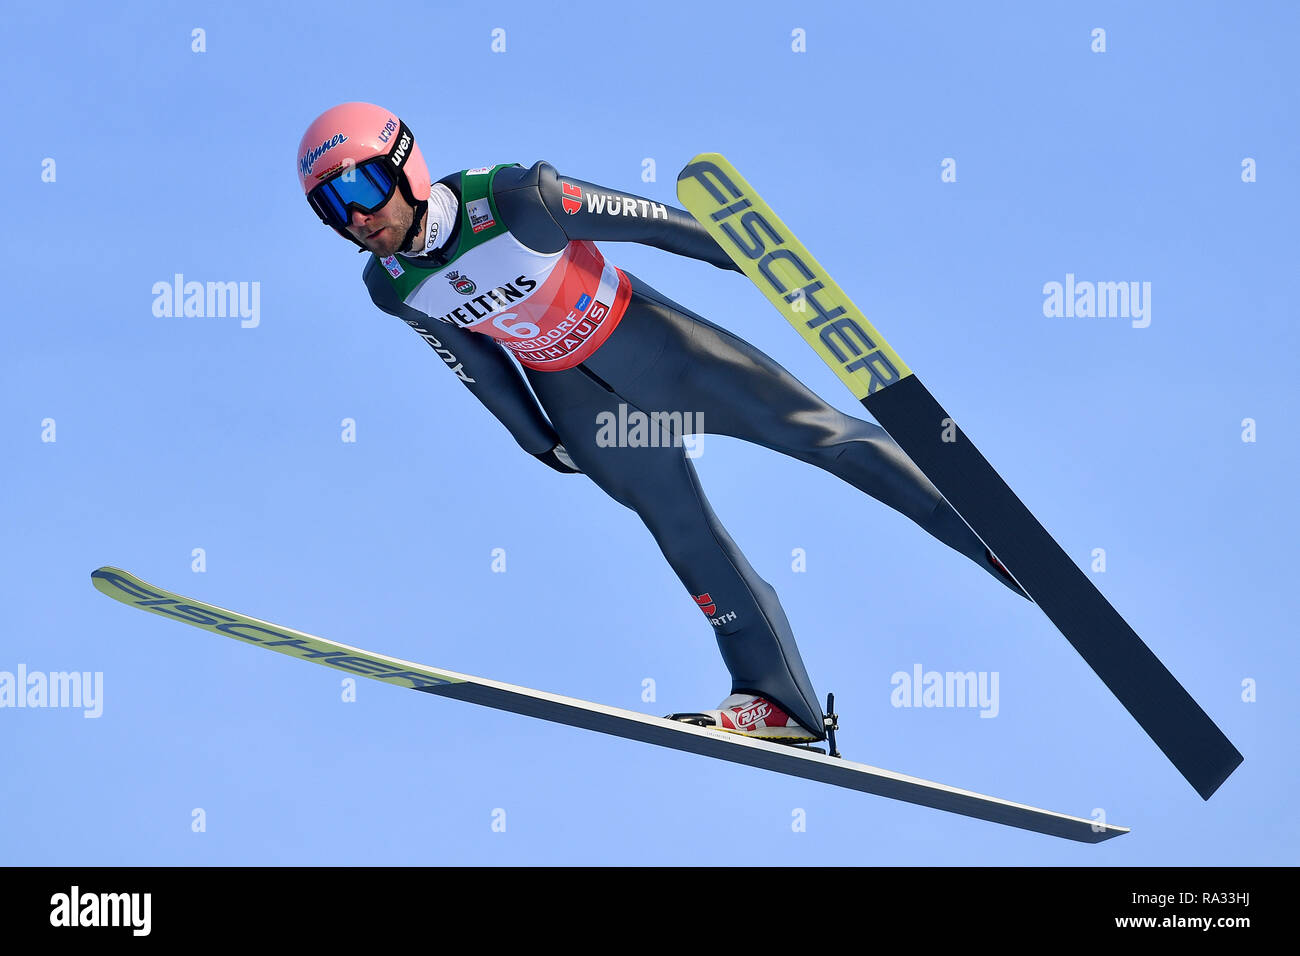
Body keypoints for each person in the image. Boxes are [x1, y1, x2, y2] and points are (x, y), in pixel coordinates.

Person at [296, 102, 1027, 745]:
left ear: (405, 166)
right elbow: (477, 367)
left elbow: (656, 225)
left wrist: (757, 260)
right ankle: (779, 703)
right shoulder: (393, 288)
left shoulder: (517, 197)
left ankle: (994, 541)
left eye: (360, 188)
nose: (357, 218)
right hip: (590, 415)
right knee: (684, 533)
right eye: (332, 208)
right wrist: (537, 440)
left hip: (668, 357)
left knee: (822, 435)